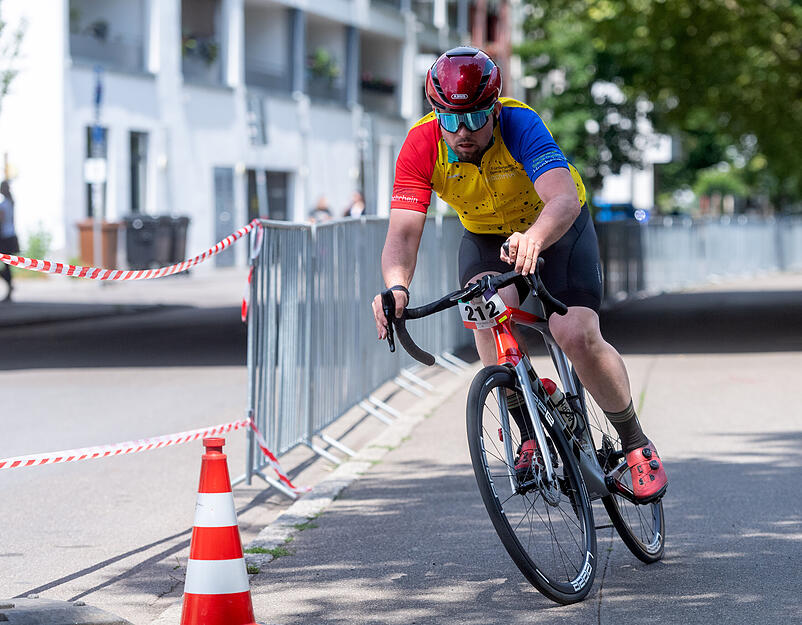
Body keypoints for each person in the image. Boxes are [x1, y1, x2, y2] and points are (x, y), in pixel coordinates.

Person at [370, 47, 667, 502]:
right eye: (450, 120)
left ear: (493, 108)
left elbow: (562, 199)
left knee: (573, 332)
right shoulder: (421, 144)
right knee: (484, 310)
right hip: (486, 237)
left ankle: (634, 442)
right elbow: (404, 233)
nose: (463, 132)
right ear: (435, 114)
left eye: (475, 118)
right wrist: (396, 287)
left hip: (556, 227)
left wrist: (535, 237)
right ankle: (529, 428)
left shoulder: (520, 122)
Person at [0, 180, 19, 303]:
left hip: (4, 237)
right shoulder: (11, 202)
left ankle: (9, 286)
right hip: (11, 236)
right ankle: (10, 287)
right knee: (7, 265)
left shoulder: (3, 205)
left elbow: (1, 222)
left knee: (6, 266)